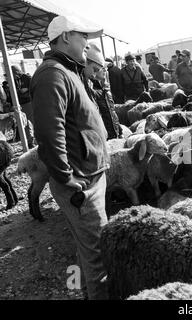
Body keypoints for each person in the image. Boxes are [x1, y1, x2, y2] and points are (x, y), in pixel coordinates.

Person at [29, 15, 110, 300]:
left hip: (88, 175)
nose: (87, 45)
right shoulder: (53, 74)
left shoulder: (69, 71)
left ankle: (78, 290)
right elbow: (50, 134)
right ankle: (93, 293)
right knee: (99, 253)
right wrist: (67, 177)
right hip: (81, 182)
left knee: (84, 246)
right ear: (65, 37)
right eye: (83, 37)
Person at [84, 44, 123, 140]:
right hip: (105, 136)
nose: (105, 71)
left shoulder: (105, 90)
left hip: (112, 133)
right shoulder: (92, 90)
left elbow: (111, 112)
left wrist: (119, 129)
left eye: (106, 69)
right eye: (102, 68)